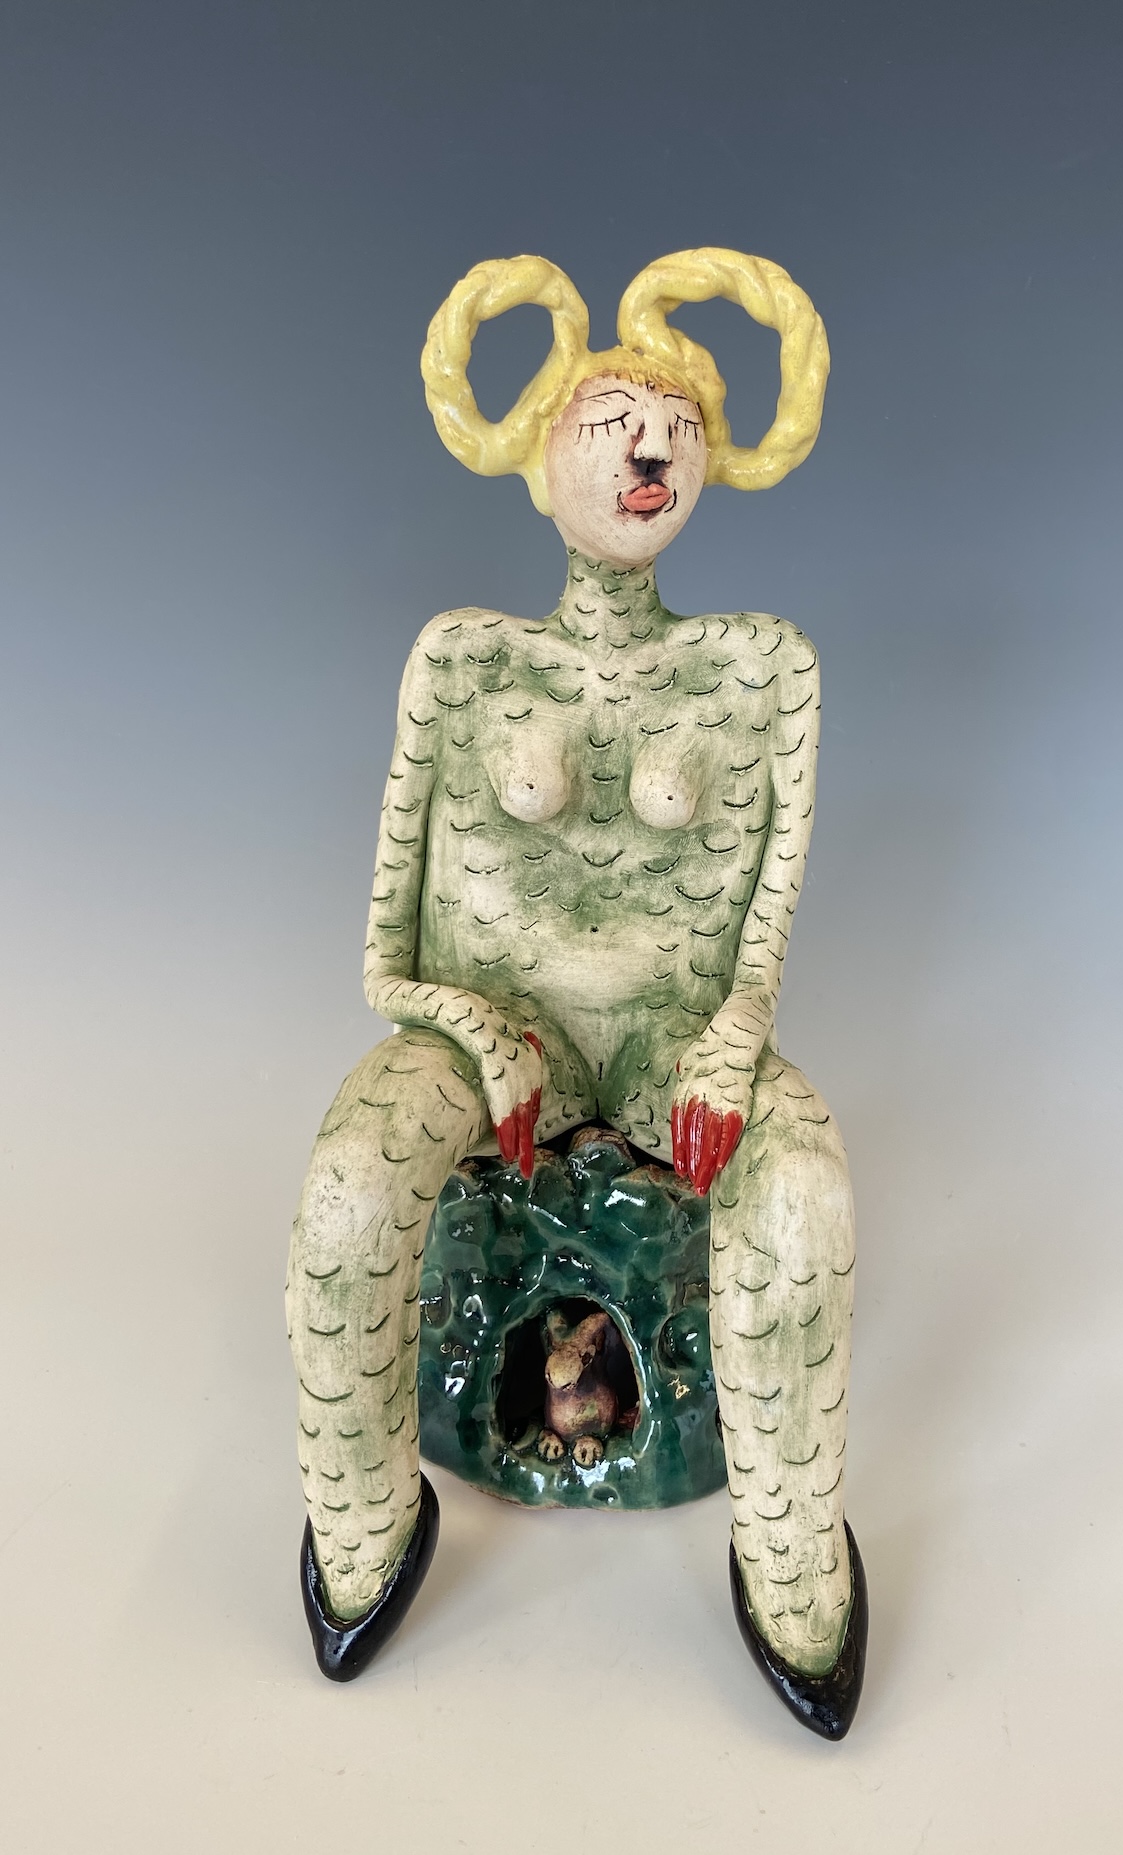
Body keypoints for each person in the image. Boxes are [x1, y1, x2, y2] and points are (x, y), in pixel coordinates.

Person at [287, 248, 867, 1736]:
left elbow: (760, 931)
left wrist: (733, 1038)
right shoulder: (464, 663)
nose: (646, 453)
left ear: (719, 459)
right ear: (536, 459)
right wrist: (474, 1023)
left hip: (677, 1039)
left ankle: (789, 1547)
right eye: (610, 425)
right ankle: (361, 1517)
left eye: (672, 427)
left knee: (802, 1200)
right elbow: (385, 952)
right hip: (487, 1037)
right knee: (350, 1192)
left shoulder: (765, 674)